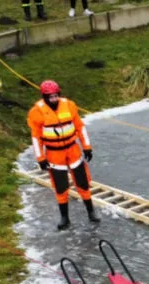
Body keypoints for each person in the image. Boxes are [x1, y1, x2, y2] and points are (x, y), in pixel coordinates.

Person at [27, 79, 100, 230]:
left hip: (73, 149)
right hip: (54, 153)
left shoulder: (69, 105)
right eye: (50, 97)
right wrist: (40, 158)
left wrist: (87, 147)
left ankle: (91, 211)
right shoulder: (36, 113)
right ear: (45, 97)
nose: (54, 99)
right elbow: (36, 138)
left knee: (82, 182)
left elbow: (80, 127)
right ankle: (64, 217)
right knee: (60, 186)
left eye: (55, 96)